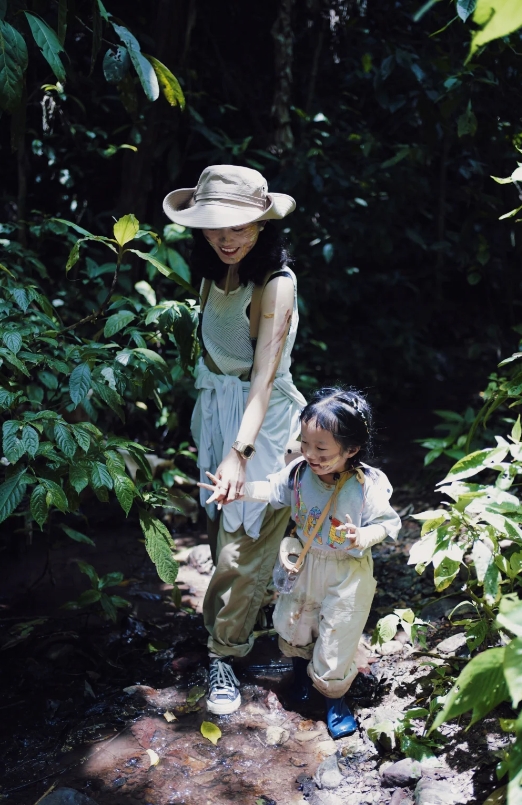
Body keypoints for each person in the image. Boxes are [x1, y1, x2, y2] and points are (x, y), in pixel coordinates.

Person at [163, 165, 306, 715]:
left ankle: (228, 651)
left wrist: (239, 452)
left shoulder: (276, 283)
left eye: (240, 226)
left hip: (262, 428)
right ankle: (232, 630)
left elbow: (264, 377)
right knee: (225, 535)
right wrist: (214, 432)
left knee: (246, 547)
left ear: (263, 225)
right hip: (220, 413)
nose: (227, 237)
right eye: (216, 226)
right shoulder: (212, 274)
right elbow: (214, 357)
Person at [201, 387, 401, 738]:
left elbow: (390, 523)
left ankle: (333, 699)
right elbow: (272, 490)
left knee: (338, 633)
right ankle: (300, 677)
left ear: (351, 449)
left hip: (346, 572)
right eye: (305, 444)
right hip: (305, 563)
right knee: (297, 621)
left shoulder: (366, 485)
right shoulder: (298, 474)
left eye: (321, 448)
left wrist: (364, 537)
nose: (310, 454)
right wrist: (239, 491)